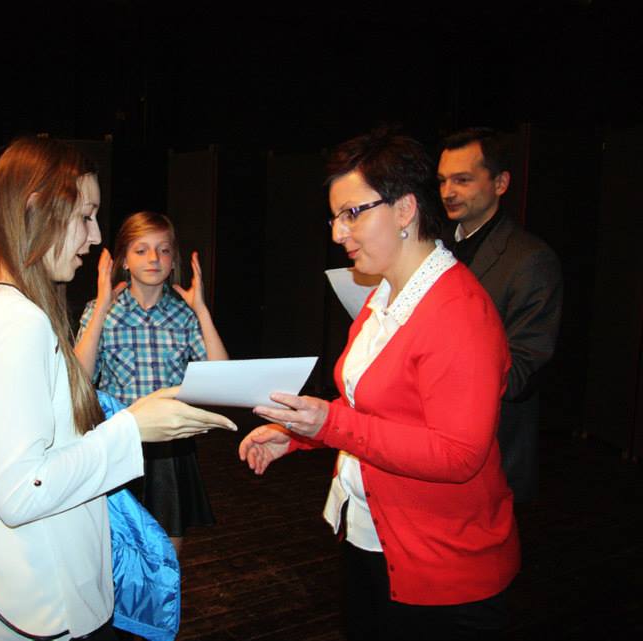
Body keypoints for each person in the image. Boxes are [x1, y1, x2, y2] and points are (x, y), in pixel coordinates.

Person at [0, 137, 235, 641]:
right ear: (37, 209)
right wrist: (132, 427)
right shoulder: (19, 322)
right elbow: (22, 491)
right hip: (39, 608)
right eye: (85, 216)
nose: (95, 238)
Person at [239, 130, 520, 640]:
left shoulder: (458, 313)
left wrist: (328, 425)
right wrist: (299, 435)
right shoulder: (387, 294)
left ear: (405, 209)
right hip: (374, 537)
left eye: (352, 213)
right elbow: (372, 408)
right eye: (335, 217)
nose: (338, 233)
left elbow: (458, 455)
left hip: (442, 568)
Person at [75, 211, 228, 555]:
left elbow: (222, 380)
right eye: (141, 250)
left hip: (170, 448)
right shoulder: (101, 311)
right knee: (114, 550)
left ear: (173, 260)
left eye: (163, 250)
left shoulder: (184, 315)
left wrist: (202, 310)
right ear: (124, 260)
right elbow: (78, 380)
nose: (154, 258)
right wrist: (100, 309)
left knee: (166, 550)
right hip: (118, 441)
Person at [438, 127, 563, 503]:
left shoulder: (529, 260)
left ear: (501, 183)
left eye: (462, 180)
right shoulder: (433, 248)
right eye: (442, 180)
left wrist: (441, 355)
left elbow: (523, 371)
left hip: (490, 449)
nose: (448, 192)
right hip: (430, 440)